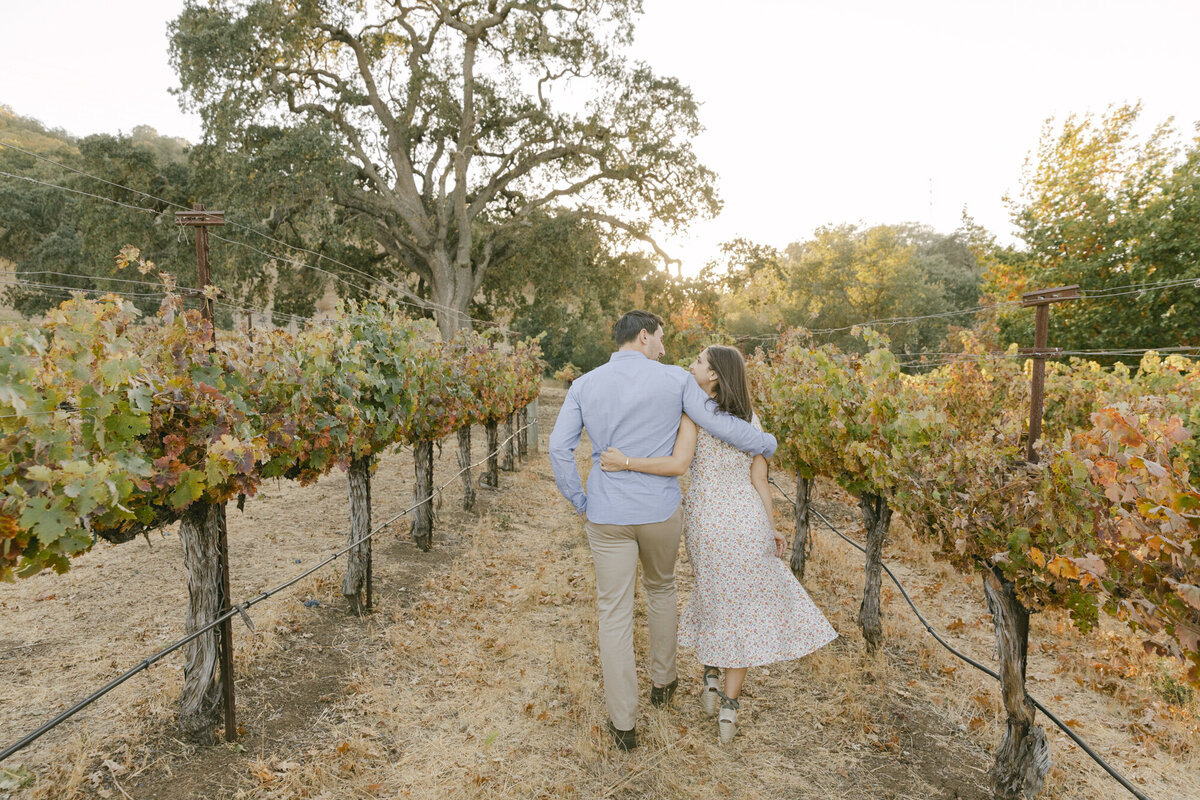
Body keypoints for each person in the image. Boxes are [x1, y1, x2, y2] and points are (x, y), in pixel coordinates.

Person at [548, 312, 777, 752]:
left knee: (613, 612)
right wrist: (764, 443)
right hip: (659, 511)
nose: (666, 350)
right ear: (644, 336)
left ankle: (623, 722)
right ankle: (664, 683)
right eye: (661, 340)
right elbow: (719, 424)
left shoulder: (585, 385)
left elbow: (559, 448)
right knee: (662, 590)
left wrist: (581, 500)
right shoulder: (675, 381)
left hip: (608, 512)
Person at [599, 345, 837, 743]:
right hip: (747, 519)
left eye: (697, 362)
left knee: (713, 595)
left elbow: (677, 465)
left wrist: (625, 461)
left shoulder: (693, 416)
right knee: (741, 606)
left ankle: (709, 675)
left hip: (706, 518)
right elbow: (760, 482)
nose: (689, 366)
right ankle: (729, 707)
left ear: (712, 377)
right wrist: (771, 526)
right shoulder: (752, 421)